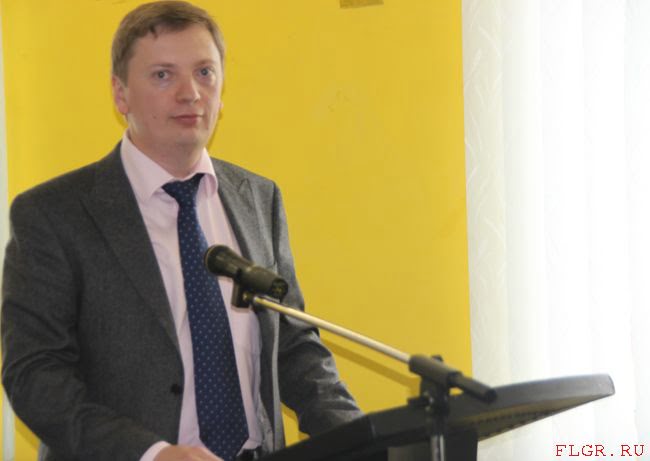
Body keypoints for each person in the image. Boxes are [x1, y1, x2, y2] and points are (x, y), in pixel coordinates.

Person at [1, 2, 362, 461]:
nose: (190, 93)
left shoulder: (258, 198)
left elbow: (293, 347)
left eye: (205, 73)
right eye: (163, 75)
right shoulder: (54, 214)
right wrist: (152, 453)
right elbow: (35, 375)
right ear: (120, 94)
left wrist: (366, 441)